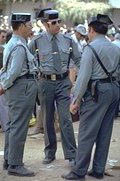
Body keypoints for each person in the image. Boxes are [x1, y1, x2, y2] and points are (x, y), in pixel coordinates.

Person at [62, 14, 120, 180]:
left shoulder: (91, 48)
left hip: (96, 92)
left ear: (91, 30)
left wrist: (75, 100)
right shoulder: (116, 48)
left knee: (86, 132)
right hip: (113, 90)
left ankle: (78, 171)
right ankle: (98, 170)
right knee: (104, 131)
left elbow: (83, 77)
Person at [29, 8, 81, 166]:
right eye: (53, 23)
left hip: (63, 82)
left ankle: (72, 154)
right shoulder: (36, 42)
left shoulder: (69, 41)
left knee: (65, 119)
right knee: (48, 119)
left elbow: (79, 61)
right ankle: (49, 153)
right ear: (45, 24)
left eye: (59, 21)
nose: (58, 25)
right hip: (45, 83)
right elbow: (29, 61)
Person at [0, 13, 38, 177]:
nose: (31, 27)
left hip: (18, 88)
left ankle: (9, 159)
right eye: (29, 25)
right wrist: (3, 85)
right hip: (21, 88)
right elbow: (14, 71)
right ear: (21, 26)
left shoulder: (14, 43)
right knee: (19, 127)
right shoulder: (19, 46)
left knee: (12, 126)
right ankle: (15, 164)